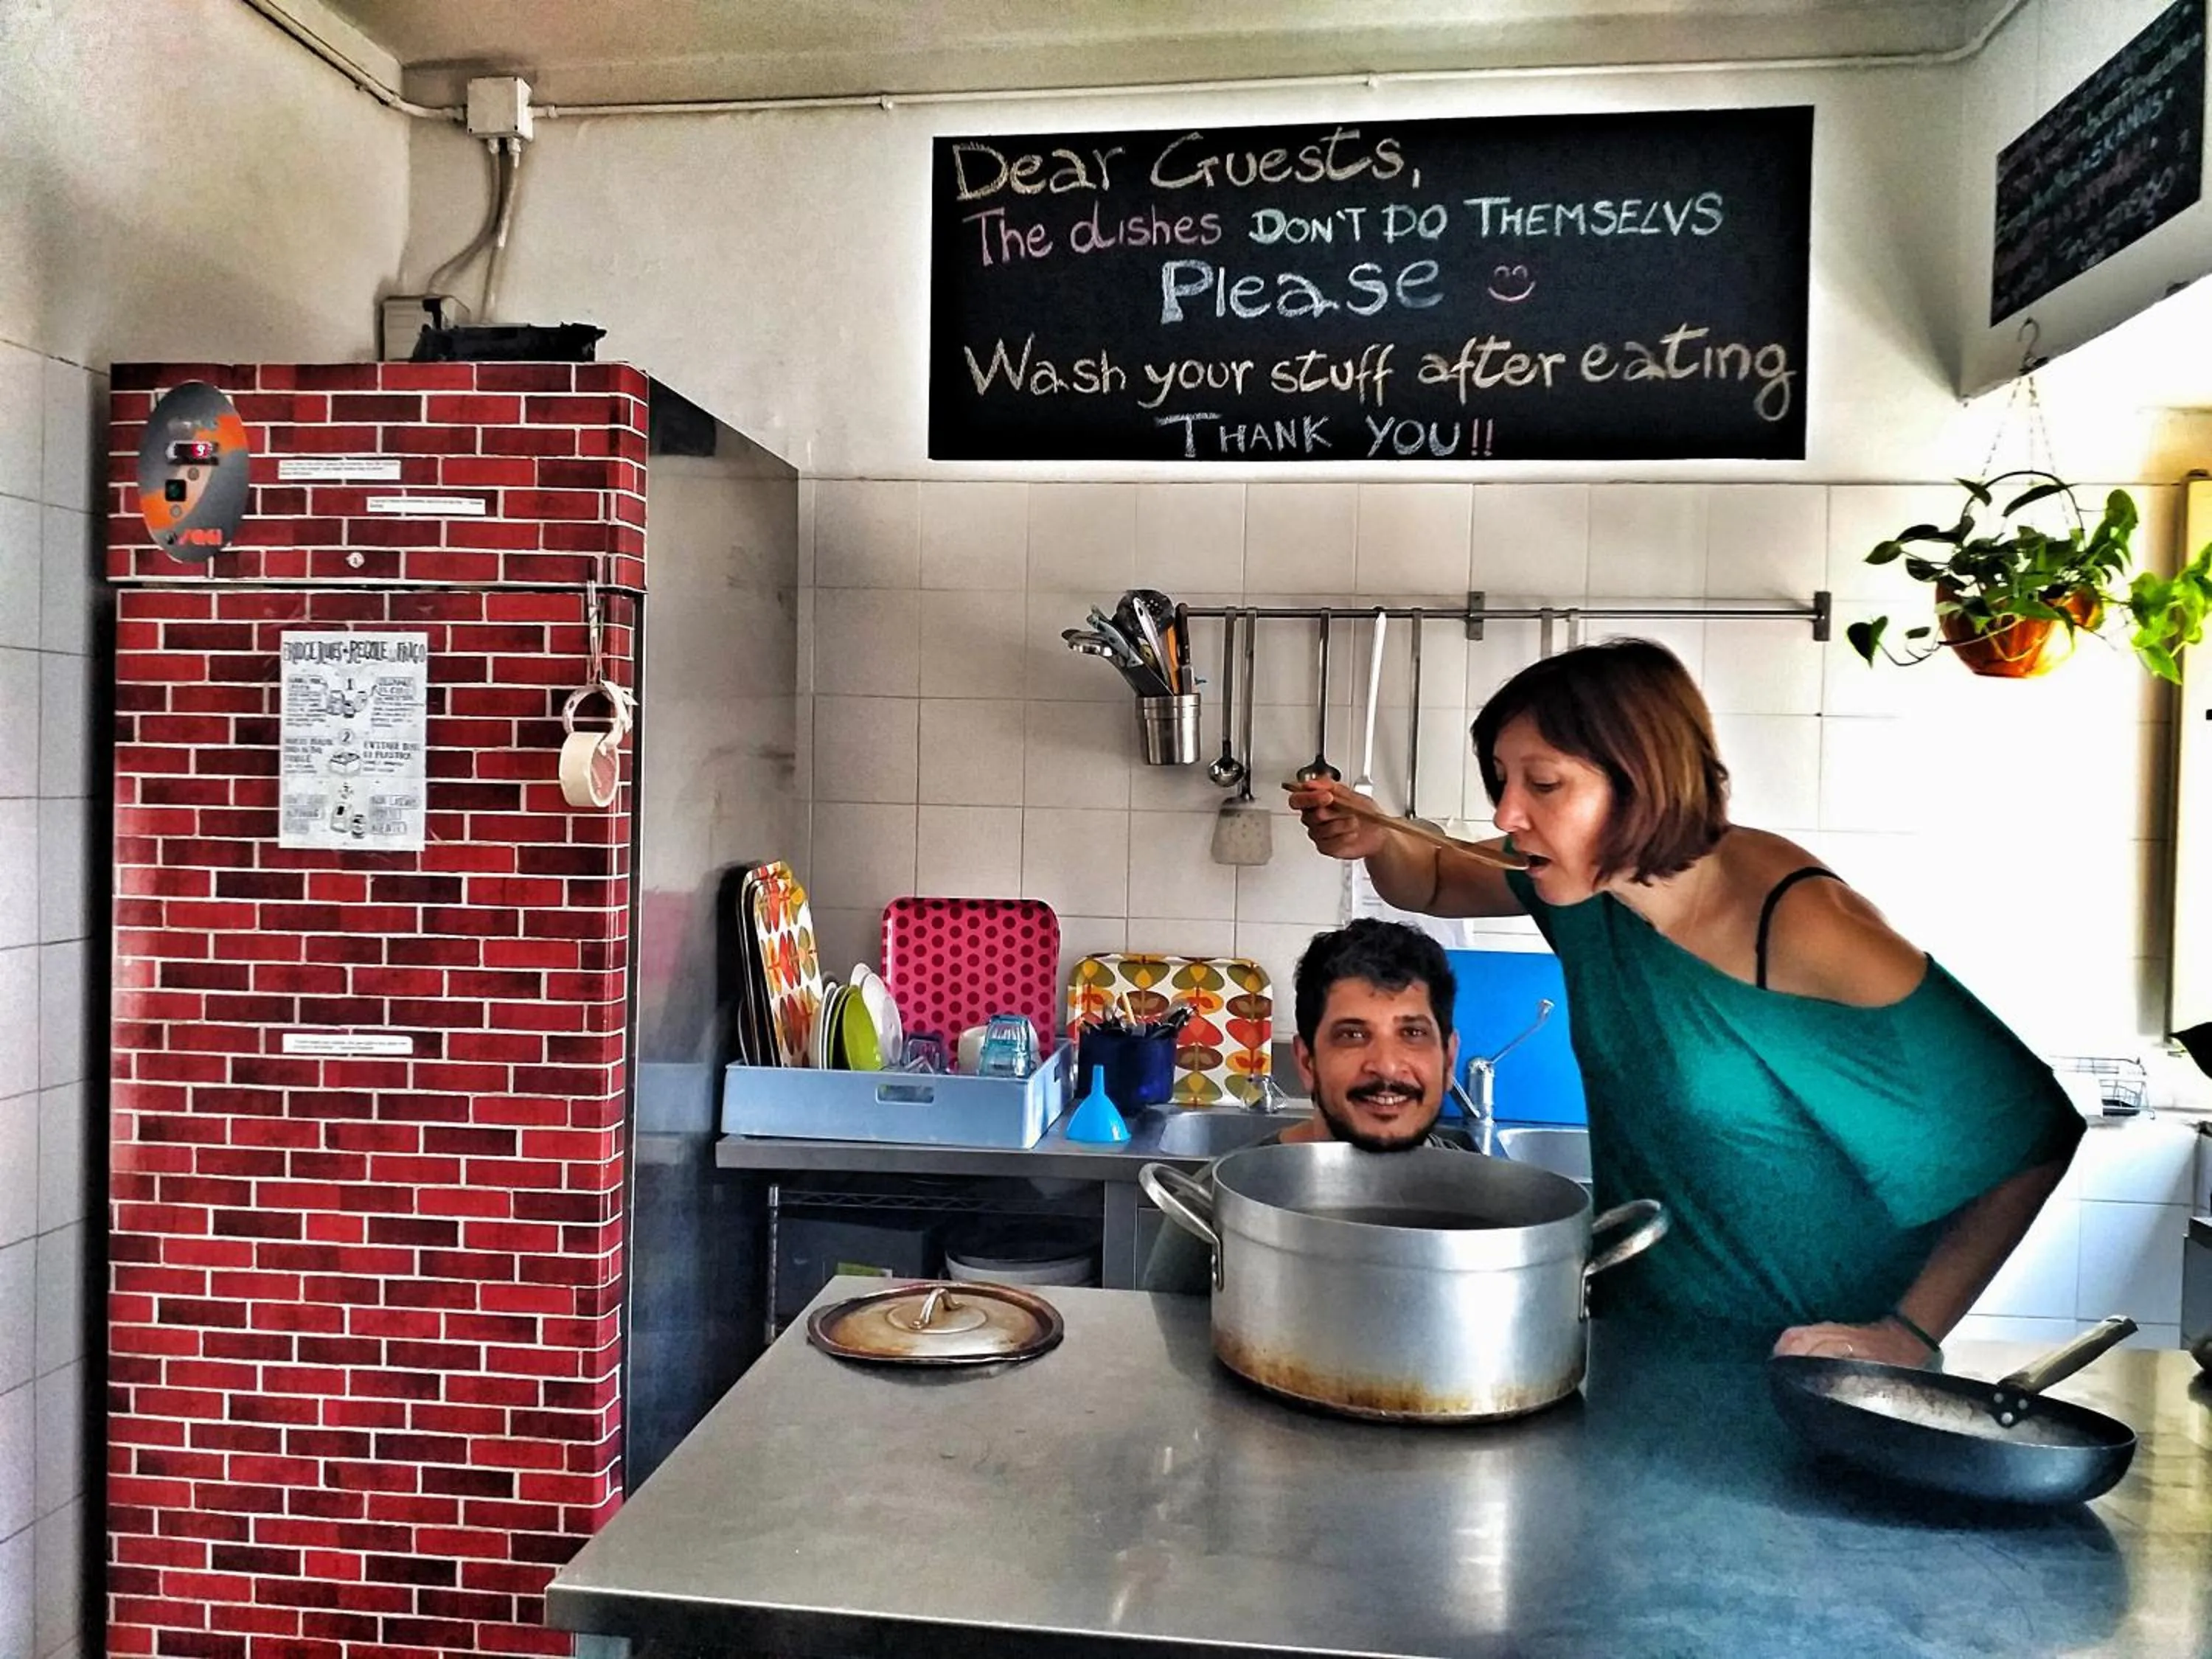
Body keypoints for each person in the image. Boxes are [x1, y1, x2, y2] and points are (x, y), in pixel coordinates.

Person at [1290, 639, 2083, 1366]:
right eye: (1503, 779)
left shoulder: (1799, 924)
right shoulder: (1580, 884)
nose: (1506, 813)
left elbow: (2033, 1132)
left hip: (1800, 1372)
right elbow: (1428, 879)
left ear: (1642, 780)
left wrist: (1910, 1334)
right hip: (1643, 1346)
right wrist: (1378, 840)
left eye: (1544, 783)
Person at [1139, 919, 1465, 1294]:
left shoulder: (1490, 1204)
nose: (1387, 1066)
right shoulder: (1223, 1201)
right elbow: (1168, 1344)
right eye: (1353, 1035)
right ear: (1307, 1063)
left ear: (1448, 1058)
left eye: (1412, 1034)